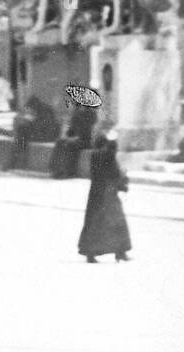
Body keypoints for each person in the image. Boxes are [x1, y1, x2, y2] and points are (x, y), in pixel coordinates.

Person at [78, 130, 131, 262]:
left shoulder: (95, 155)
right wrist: (123, 183)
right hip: (108, 193)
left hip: (97, 193)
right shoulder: (106, 155)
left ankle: (93, 253)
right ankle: (120, 251)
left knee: (96, 222)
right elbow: (114, 172)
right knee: (116, 221)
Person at [50, 97, 99, 179]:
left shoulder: (91, 114)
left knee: (69, 145)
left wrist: (75, 138)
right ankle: (55, 168)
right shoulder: (77, 114)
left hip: (84, 140)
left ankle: (66, 171)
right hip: (74, 138)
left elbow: (88, 130)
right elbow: (71, 129)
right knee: (60, 142)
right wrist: (67, 136)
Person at [10, 95, 60, 169]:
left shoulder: (45, 111)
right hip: (44, 134)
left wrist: (31, 121)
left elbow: (43, 127)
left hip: (47, 136)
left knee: (21, 132)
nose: (30, 111)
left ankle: (14, 161)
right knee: (22, 133)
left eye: (30, 109)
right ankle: (18, 161)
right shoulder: (42, 109)